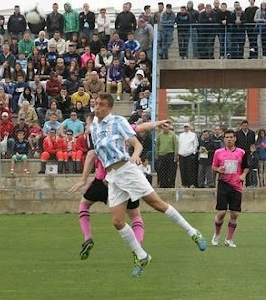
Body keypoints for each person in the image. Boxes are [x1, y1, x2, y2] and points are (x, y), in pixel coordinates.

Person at [70, 93, 206, 277]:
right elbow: (94, 152)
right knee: (117, 222)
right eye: (95, 104)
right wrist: (84, 178)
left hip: (127, 170)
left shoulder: (118, 121)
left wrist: (135, 154)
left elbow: (136, 142)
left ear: (109, 107)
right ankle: (142, 256)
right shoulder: (94, 127)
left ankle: (193, 232)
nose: (97, 107)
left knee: (157, 204)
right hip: (113, 177)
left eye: (101, 104)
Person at [210, 129, 249, 247]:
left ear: (235, 138)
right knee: (221, 212)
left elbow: (246, 167)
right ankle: (216, 235)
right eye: (227, 137)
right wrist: (218, 169)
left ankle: (229, 239)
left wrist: (243, 175)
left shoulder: (241, 152)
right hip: (223, 184)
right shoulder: (218, 152)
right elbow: (214, 166)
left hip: (236, 185)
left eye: (231, 137)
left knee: (234, 214)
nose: (229, 139)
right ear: (224, 139)